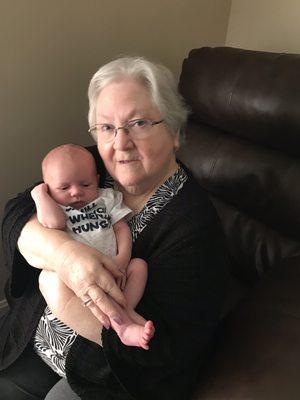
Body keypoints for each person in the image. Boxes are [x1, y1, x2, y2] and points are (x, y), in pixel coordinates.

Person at [0, 56, 228, 400]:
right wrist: (65, 257)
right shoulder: (92, 167)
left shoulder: (194, 228)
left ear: (175, 133)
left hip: (99, 372)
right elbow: (16, 213)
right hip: (31, 337)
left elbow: (167, 353)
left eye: (138, 123)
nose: (119, 143)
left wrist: (65, 300)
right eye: (106, 127)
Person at [31, 143, 154, 350]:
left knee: (140, 265)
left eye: (85, 184)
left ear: (96, 179)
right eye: (64, 188)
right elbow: (54, 224)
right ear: (48, 188)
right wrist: (39, 195)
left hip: (116, 268)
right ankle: (124, 323)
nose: (76, 192)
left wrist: (122, 259)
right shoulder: (56, 207)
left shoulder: (106, 198)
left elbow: (121, 229)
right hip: (81, 279)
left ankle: (125, 310)